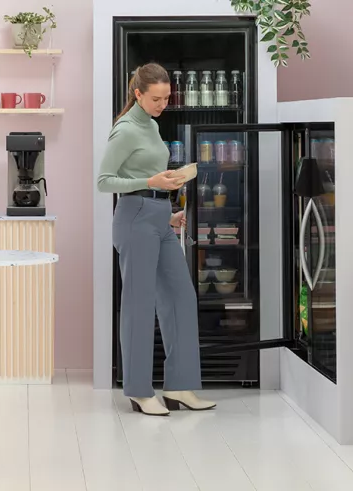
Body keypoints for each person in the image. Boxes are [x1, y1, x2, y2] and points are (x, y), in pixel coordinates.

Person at [97, 63, 216, 416]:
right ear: (137, 94)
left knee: (181, 297)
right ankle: (138, 390)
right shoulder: (126, 129)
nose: (162, 104)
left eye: (166, 98)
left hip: (158, 217)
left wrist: (167, 204)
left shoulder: (150, 124)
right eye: (156, 98)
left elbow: (148, 175)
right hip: (135, 218)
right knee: (139, 304)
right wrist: (150, 183)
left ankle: (180, 386)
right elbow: (104, 181)